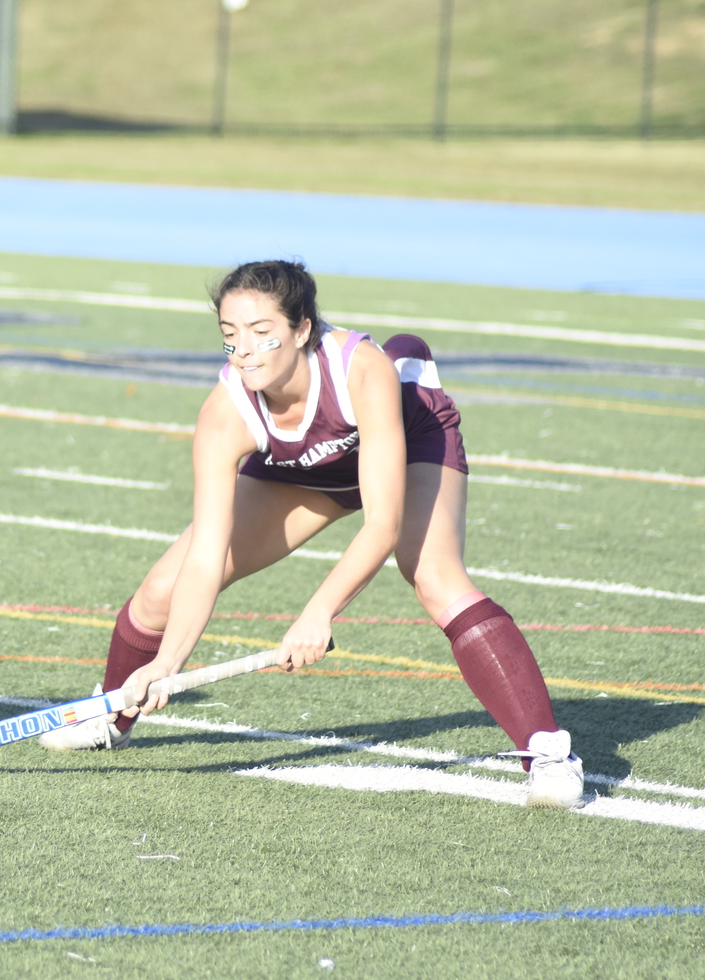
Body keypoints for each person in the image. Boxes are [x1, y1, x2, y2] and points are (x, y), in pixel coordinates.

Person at [39, 260, 584, 810]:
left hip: (407, 444)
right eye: (230, 337)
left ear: (302, 331)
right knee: (161, 591)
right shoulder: (226, 411)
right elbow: (206, 555)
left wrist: (318, 611)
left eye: (261, 334)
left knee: (435, 576)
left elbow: (382, 522)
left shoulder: (361, 371)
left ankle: (548, 755)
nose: (244, 351)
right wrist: (166, 664)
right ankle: (112, 714)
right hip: (303, 471)